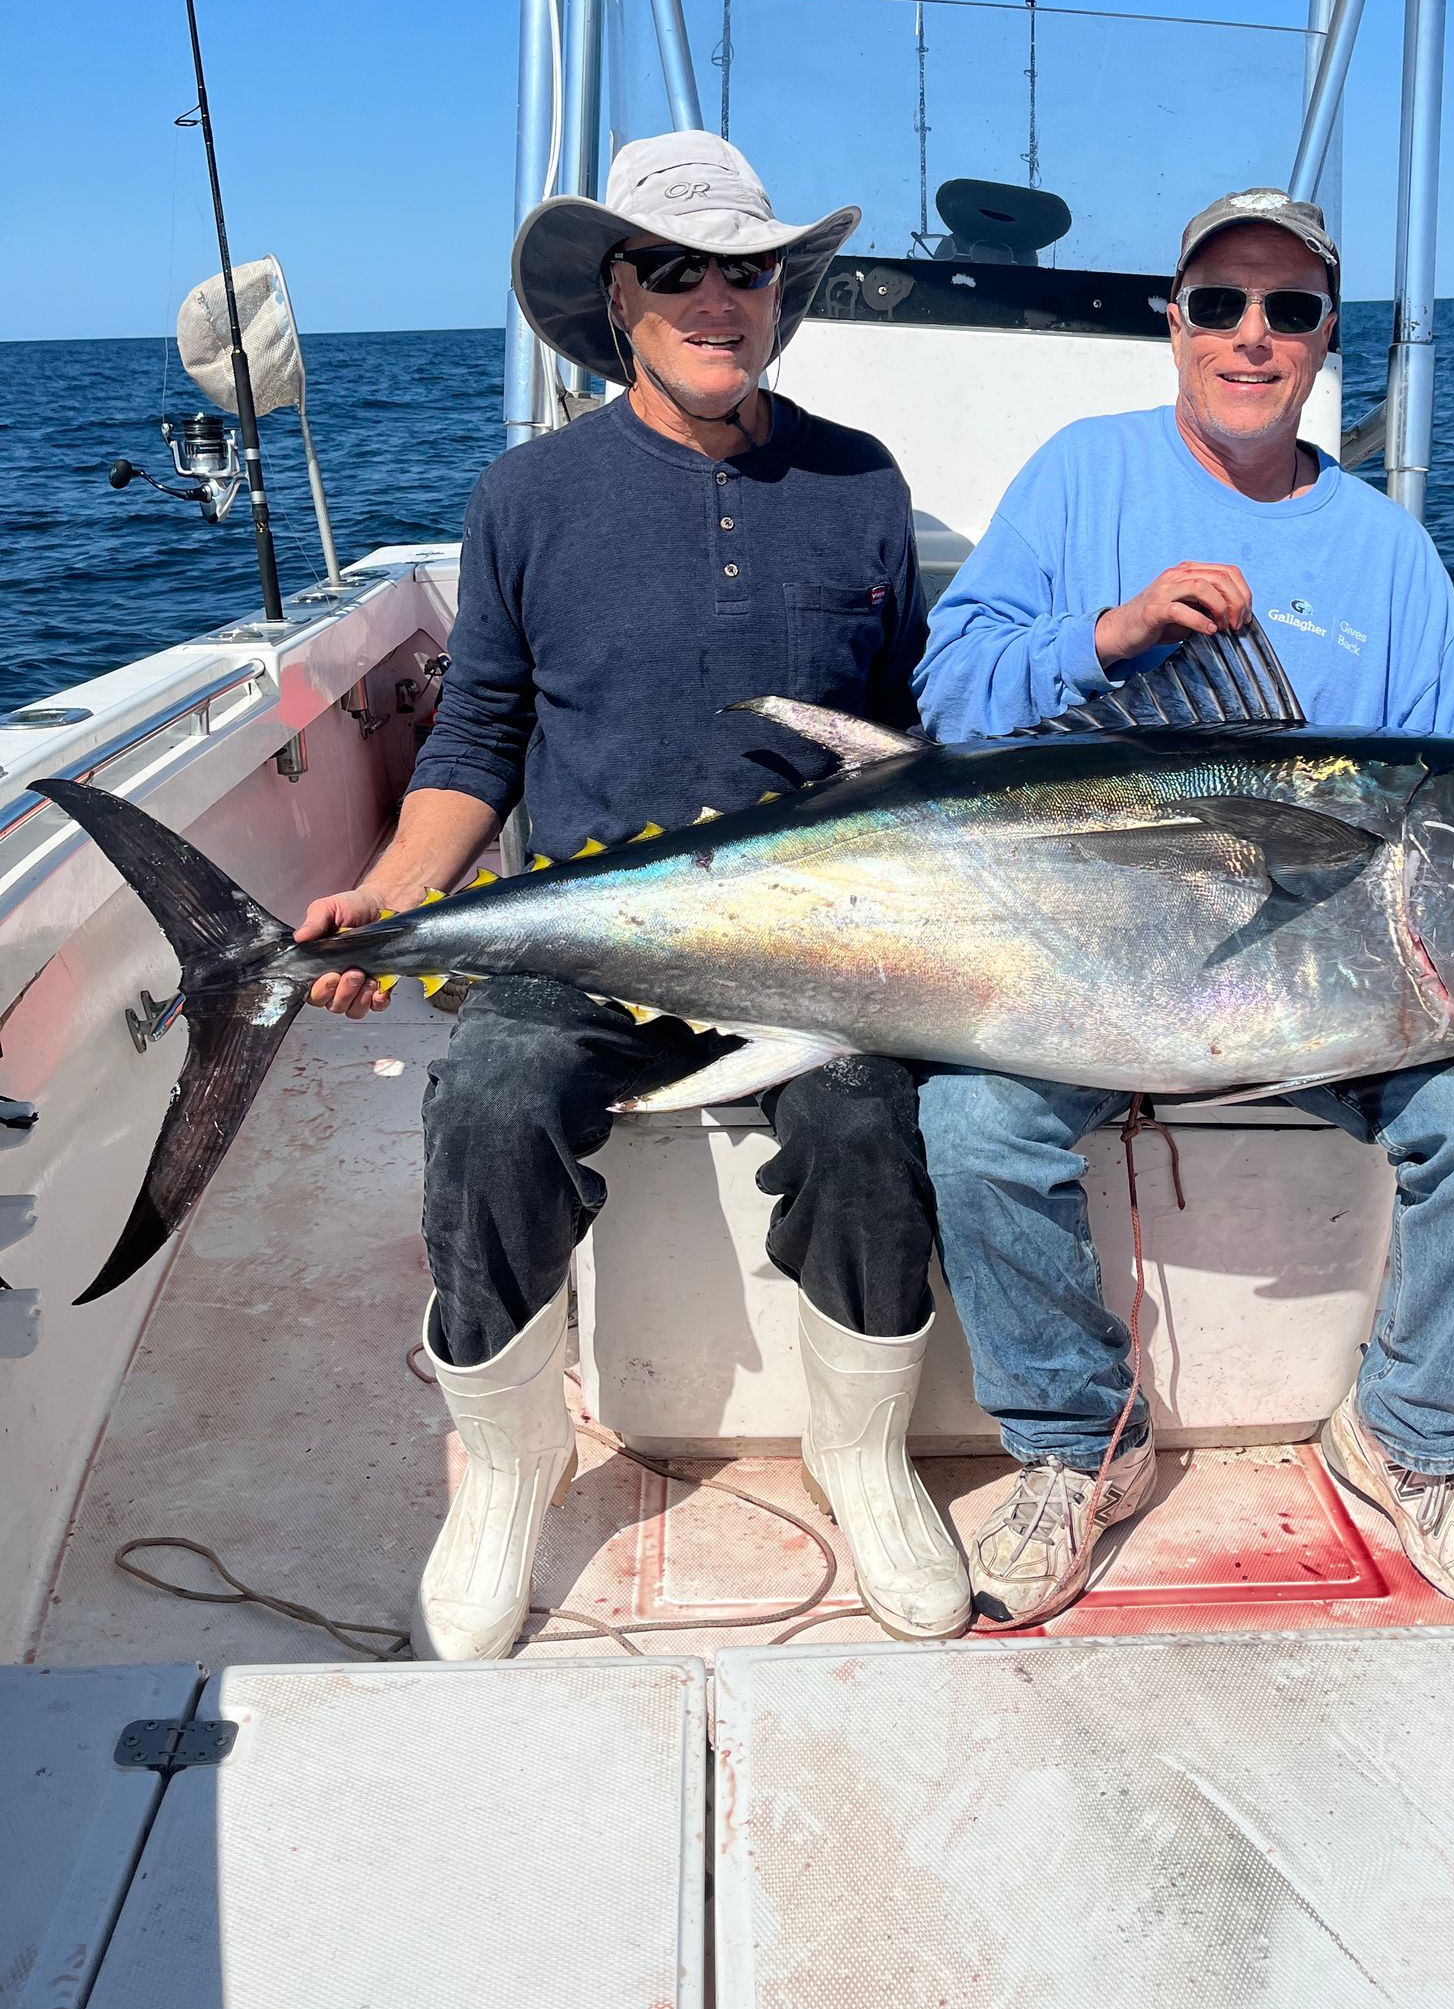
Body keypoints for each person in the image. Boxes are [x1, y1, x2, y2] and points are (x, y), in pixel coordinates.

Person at [914, 187, 1454, 1631]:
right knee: (969, 1124)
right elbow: (949, 695)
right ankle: (1077, 1440)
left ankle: (1413, 1433)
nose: (1251, 337)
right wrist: (1112, 635)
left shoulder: (1387, 551)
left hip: (1351, 990)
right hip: (1092, 962)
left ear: (1329, 337)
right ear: (1173, 325)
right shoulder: (1084, 476)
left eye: (1290, 310)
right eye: (1220, 304)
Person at [296, 132, 969, 1657]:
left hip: (817, 937)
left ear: (781, 294)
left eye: (748, 269)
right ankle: (512, 1469)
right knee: (487, 1097)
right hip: (580, 930)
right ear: (618, 293)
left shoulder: (859, 482)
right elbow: (478, 735)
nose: (716, 299)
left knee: (872, 1115)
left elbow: (906, 730)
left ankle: (860, 1454)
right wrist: (389, 897)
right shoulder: (529, 494)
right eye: (676, 269)